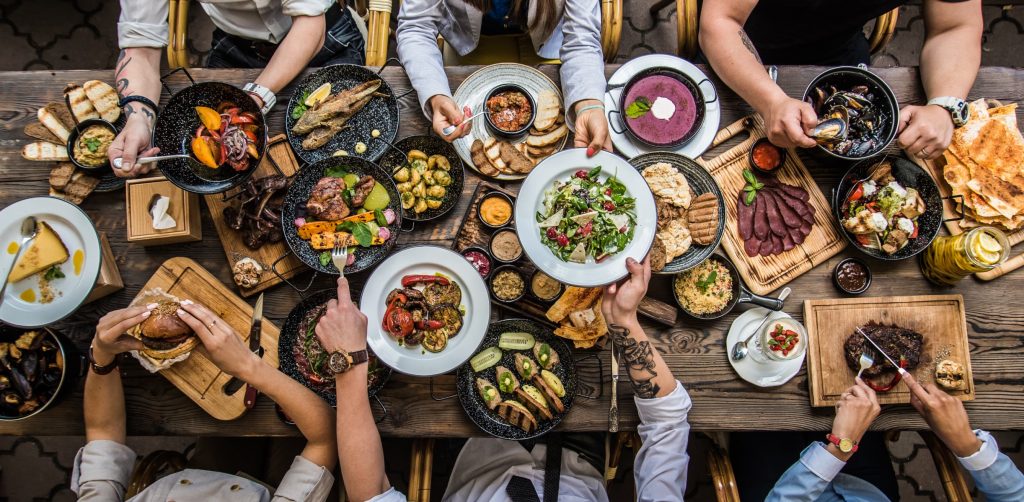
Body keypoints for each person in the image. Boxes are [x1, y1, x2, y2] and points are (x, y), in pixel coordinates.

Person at [312, 257, 691, 501]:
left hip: (477, 451)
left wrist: (349, 361)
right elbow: (669, 422)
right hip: (581, 456)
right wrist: (624, 321)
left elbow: (369, 493)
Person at [71, 301, 337, 501]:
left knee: (229, 431)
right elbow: (324, 438)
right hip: (281, 486)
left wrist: (102, 356)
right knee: (287, 434)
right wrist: (247, 366)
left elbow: (102, 431)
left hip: (198, 477)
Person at [698, 0, 983, 160]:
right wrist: (771, 101)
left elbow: (955, 26)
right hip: (741, 46)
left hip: (838, 49)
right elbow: (721, 22)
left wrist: (945, 104)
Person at [110, 0, 366, 176]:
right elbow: (139, 48)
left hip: (322, 37)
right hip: (237, 46)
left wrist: (253, 100)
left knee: (340, 155)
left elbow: (310, 26)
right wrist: (138, 120)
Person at [732, 373, 1024, 501]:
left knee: (750, 412)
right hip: (865, 491)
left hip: (778, 490)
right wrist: (966, 444)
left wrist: (840, 449)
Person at [396, 0, 612, 156]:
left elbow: (581, 40)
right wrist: (436, 94)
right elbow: (416, 27)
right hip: (471, 45)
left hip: (545, 44)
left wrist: (588, 106)